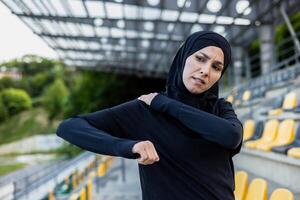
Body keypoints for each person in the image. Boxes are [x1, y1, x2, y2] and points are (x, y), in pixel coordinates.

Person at [56, 31, 243, 200]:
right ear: (183, 57)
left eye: (216, 67)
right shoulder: (147, 110)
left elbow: (231, 136)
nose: (205, 71)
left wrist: (167, 105)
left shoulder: (220, 108)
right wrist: (129, 146)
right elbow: (69, 127)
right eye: (200, 59)